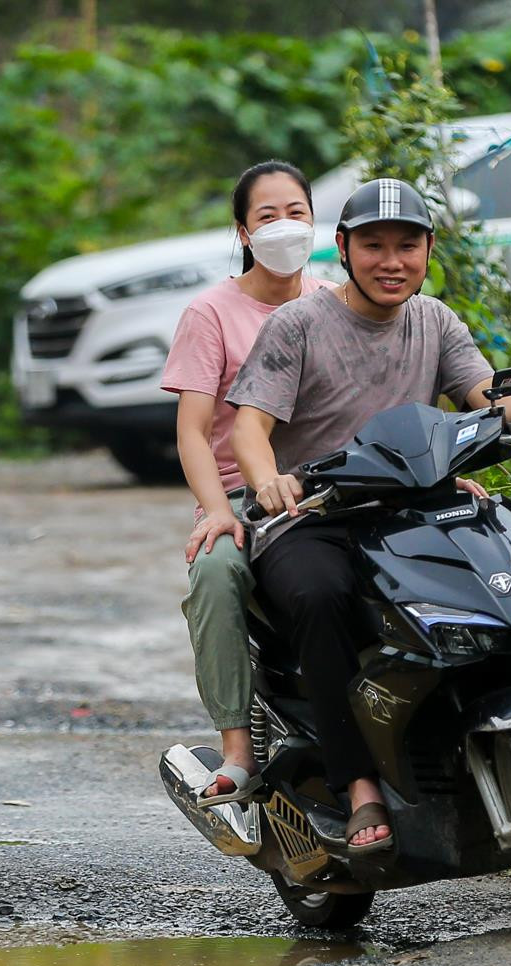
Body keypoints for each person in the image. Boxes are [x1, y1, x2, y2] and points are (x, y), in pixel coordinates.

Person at [227, 177, 511, 853]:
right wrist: (268, 484)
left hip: (412, 509)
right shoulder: (298, 324)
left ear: (429, 250)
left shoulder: (435, 321)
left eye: (407, 245)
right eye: (373, 245)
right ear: (344, 250)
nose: (391, 261)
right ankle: (359, 785)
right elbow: (248, 428)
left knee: (507, 563)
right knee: (322, 597)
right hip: (313, 516)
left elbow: (484, 394)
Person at [160, 160, 331, 833]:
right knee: (216, 570)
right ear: (242, 231)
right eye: (268, 216)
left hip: (330, 488)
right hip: (244, 495)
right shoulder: (211, 313)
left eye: (297, 212)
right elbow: (195, 432)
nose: (285, 227)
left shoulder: (335, 300)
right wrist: (220, 511)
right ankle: (236, 750)